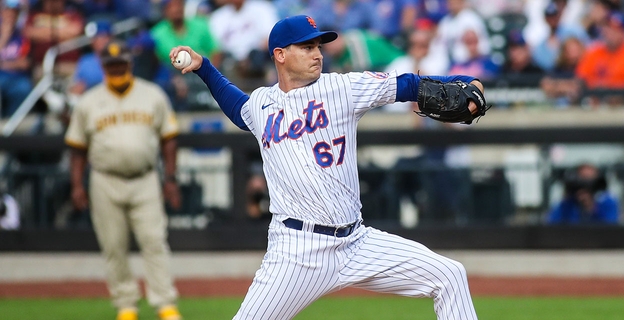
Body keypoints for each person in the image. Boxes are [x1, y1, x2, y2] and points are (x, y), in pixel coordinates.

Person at [170, 14, 483, 319]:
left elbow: (408, 84)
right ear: (280, 54)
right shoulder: (262, 104)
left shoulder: (343, 88)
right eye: (306, 47)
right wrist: (205, 68)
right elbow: (238, 109)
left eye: (318, 47)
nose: (317, 54)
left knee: (449, 275)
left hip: (357, 242)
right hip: (297, 251)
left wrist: (467, 82)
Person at [64, 40, 183, 320]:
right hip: (105, 179)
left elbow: (169, 139)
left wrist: (171, 179)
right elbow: (77, 149)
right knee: (113, 246)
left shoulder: (152, 94)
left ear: (130, 63)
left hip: (145, 178)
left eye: (121, 63)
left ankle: (165, 304)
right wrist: (77, 185)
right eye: (111, 64)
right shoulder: (89, 101)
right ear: (104, 67)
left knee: (154, 241)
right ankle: (126, 306)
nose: (117, 68)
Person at [546, 163, 619, 225]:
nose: (585, 184)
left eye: (589, 180)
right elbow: (552, 223)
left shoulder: (607, 201)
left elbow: (611, 227)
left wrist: (591, 207)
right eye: (582, 179)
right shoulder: (567, 203)